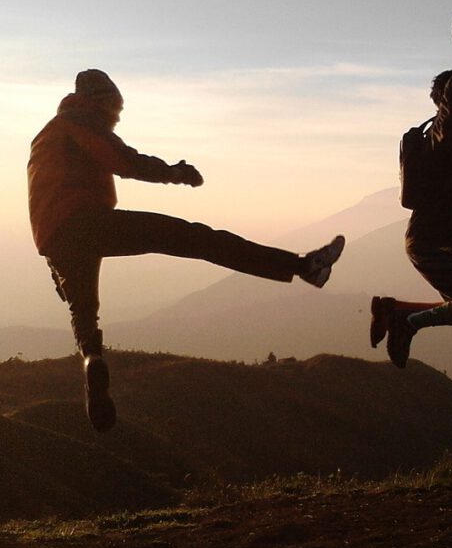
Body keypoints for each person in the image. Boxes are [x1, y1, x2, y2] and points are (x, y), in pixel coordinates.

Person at [28, 69, 344, 431]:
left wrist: (57, 267)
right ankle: (305, 267)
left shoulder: (46, 136)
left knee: (84, 312)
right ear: (100, 101)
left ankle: (92, 362)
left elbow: (44, 205)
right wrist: (174, 173)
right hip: (85, 222)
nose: (116, 120)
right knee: (195, 238)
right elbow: (123, 161)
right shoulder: (79, 119)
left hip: (55, 239)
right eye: (114, 111)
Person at [370, 14, 452, 368]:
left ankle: (395, 310)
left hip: (439, 241)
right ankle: (405, 322)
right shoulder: (446, 131)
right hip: (431, 243)